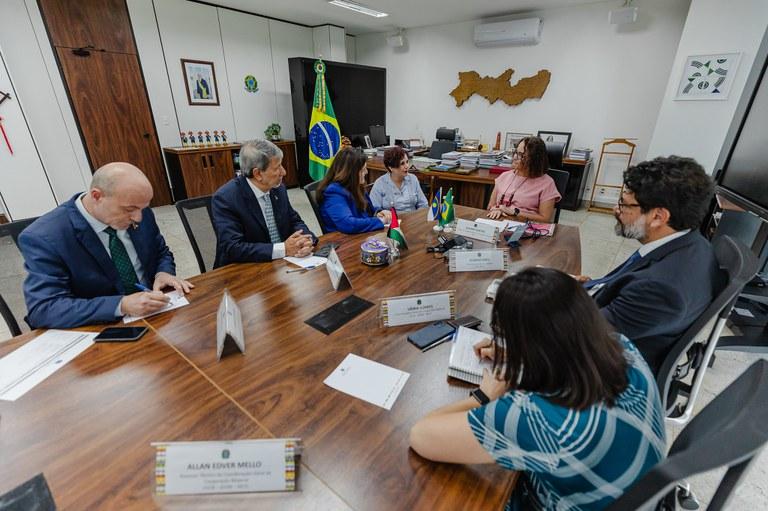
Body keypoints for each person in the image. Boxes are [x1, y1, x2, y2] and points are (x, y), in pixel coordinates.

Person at [410, 268, 666, 510]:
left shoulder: (539, 417)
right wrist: (518, 353)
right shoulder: (622, 347)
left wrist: (484, 396)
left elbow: (421, 435)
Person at [574, 156, 719, 374]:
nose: (615, 209)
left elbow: (580, 334)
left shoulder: (660, 289)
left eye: (624, 204)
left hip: (600, 368)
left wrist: (548, 299)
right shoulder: (694, 244)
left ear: (658, 216)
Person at [20, 163, 192, 329]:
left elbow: (160, 251)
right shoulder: (45, 236)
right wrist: (121, 305)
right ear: (97, 196)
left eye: (143, 208)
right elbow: (44, 308)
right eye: (129, 209)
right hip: (102, 327)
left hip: (156, 314)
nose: (138, 218)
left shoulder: (139, 209)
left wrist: (163, 272)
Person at [212, 139, 316, 267]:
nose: (284, 172)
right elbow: (233, 247)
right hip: (245, 268)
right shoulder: (226, 199)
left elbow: (294, 220)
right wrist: (283, 249)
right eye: (277, 167)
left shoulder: (278, 189)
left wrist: (305, 240)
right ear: (258, 174)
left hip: (284, 264)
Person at [317, 147, 392, 234]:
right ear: (350, 173)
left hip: (361, 234)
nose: (366, 172)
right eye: (363, 170)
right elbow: (348, 224)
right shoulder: (333, 193)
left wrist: (379, 212)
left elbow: (368, 209)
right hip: (343, 239)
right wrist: (380, 221)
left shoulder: (356, 185)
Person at [487, 136, 561, 223]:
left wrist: (515, 212)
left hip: (526, 226)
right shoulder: (504, 176)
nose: (515, 157)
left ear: (534, 159)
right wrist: (496, 209)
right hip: (498, 223)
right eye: (515, 152)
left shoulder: (547, 183)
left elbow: (545, 218)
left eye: (521, 155)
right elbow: (490, 206)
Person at [370, 146, 428, 212]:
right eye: (402, 163)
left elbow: (424, 205)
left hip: (413, 216)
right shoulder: (380, 183)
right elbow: (374, 210)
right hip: (392, 218)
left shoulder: (413, 179)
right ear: (391, 167)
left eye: (407, 162)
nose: (407, 166)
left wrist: (418, 215)